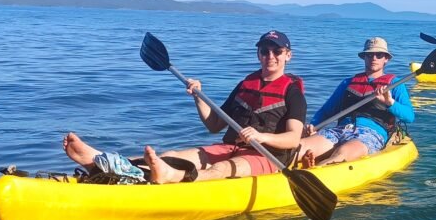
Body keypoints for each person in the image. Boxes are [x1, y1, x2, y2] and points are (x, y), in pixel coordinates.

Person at [63, 30, 308, 184]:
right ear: (258, 54)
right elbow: (214, 125)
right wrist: (198, 97)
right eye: (264, 51)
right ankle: (101, 162)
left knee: (220, 169)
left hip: (267, 157)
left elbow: (293, 139)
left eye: (277, 51)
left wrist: (261, 136)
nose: (270, 56)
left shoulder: (292, 92)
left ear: (288, 55)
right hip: (229, 146)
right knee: (171, 156)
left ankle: (173, 177)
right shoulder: (246, 84)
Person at [299, 37, 415, 166]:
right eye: (369, 55)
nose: (374, 58)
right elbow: (327, 110)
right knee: (301, 146)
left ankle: (316, 169)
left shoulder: (395, 85)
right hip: (341, 129)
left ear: (386, 59)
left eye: (379, 55)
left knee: (343, 152)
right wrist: (314, 125)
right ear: (364, 57)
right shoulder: (347, 83)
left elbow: (409, 116)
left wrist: (390, 102)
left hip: (370, 134)